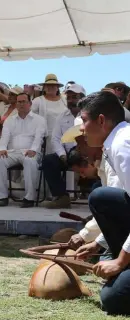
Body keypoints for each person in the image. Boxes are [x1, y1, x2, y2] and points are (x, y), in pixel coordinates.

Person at [74, 90, 130, 315]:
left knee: (113, 299)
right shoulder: (117, 140)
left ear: (101, 120)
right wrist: (99, 243)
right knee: (103, 197)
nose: (81, 128)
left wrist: (119, 263)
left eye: (84, 121)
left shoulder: (123, 145)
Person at [0, 93, 46, 208]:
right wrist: (2, 149)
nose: (21, 104)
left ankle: (29, 198)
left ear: (30, 104)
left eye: (24, 101)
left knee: (30, 161)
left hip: (31, 151)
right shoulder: (9, 120)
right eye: (19, 102)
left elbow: (39, 138)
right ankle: (2, 196)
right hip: (13, 152)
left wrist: (34, 150)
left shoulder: (39, 120)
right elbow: (4, 137)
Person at [41, 83, 86, 208]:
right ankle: (61, 197)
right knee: (49, 160)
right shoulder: (62, 116)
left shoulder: (89, 115)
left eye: (74, 97)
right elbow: (55, 139)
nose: (71, 100)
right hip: (67, 155)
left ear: (82, 98)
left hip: (87, 154)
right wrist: (62, 155)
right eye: (69, 98)